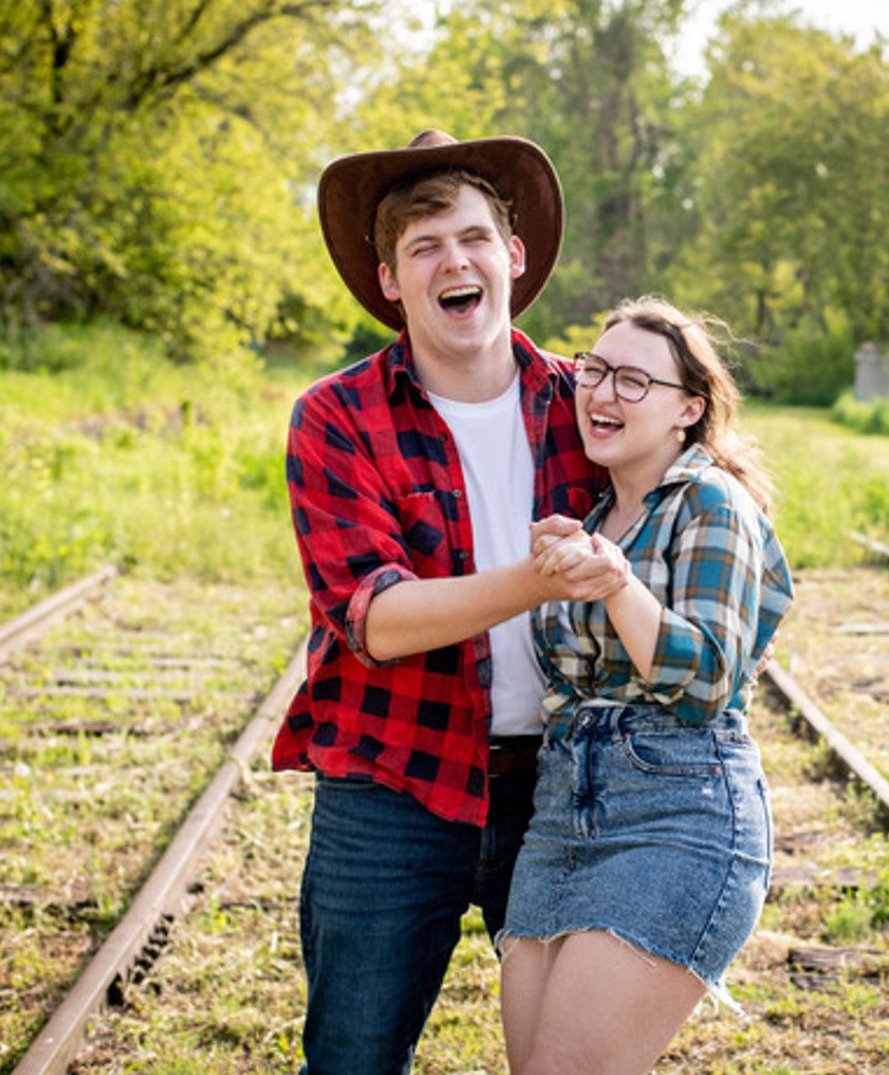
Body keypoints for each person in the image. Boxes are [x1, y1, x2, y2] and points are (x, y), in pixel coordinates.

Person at [271, 129, 628, 1074]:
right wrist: (538, 577)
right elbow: (375, 622)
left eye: (471, 238)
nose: (452, 262)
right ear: (390, 279)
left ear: (511, 256)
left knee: (573, 1061)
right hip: (393, 780)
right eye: (423, 248)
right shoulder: (338, 415)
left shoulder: (586, 405)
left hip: (566, 783)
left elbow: (689, 502)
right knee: (352, 1057)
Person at [497, 296, 795, 1075]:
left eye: (634, 381)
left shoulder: (711, 503)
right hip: (562, 818)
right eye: (594, 371)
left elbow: (705, 683)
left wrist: (617, 585)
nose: (602, 393)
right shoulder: (595, 518)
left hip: (676, 818)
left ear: (687, 410)